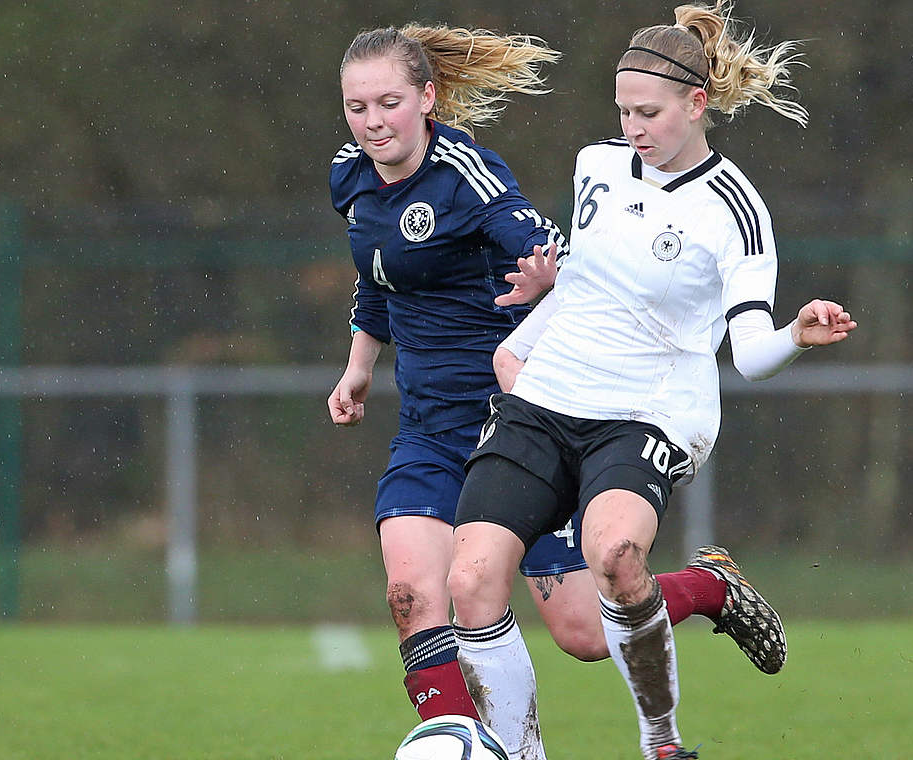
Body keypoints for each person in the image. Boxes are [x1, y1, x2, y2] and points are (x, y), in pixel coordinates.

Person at [326, 26, 771, 752]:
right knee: (415, 596)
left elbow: (559, 254)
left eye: (389, 103)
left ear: (428, 99)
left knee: (585, 634)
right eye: (356, 107)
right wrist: (359, 363)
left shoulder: (468, 173)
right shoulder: (350, 176)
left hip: (522, 419)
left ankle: (708, 587)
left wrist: (548, 280)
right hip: (431, 429)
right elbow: (376, 271)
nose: (373, 122)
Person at [446, 4, 858, 759]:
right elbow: (588, 283)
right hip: (547, 400)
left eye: (649, 112)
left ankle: (662, 744)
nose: (633, 126)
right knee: (470, 580)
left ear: (696, 104)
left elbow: (749, 353)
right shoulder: (595, 164)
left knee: (615, 558)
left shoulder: (734, 210)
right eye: (623, 111)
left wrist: (797, 335)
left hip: (648, 413)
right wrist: (523, 341)